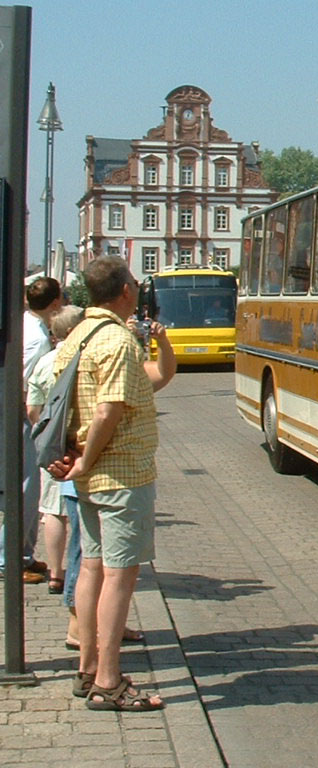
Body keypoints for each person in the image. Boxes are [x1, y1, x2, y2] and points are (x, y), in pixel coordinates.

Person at [48, 256, 175, 712]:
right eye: (135, 283)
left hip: (88, 476)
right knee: (120, 576)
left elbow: (60, 402)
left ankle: (87, 668)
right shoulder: (118, 340)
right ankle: (108, 680)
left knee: (92, 568)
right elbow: (109, 409)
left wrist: (74, 456)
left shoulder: (77, 336)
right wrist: (87, 459)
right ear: (124, 290)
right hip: (120, 473)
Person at [1, 277, 64, 584]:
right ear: (55, 303)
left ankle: (23, 553)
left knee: (28, 486)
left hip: (16, 414)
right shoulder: (38, 338)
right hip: (21, 416)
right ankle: (8, 557)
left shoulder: (25, 323)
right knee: (26, 487)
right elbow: (23, 382)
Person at [26, 305, 87, 594]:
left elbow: (32, 408)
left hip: (51, 444)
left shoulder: (45, 361)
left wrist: (45, 433)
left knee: (52, 510)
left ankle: (55, 574)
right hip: (79, 445)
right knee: (80, 510)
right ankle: (81, 570)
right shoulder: (81, 358)